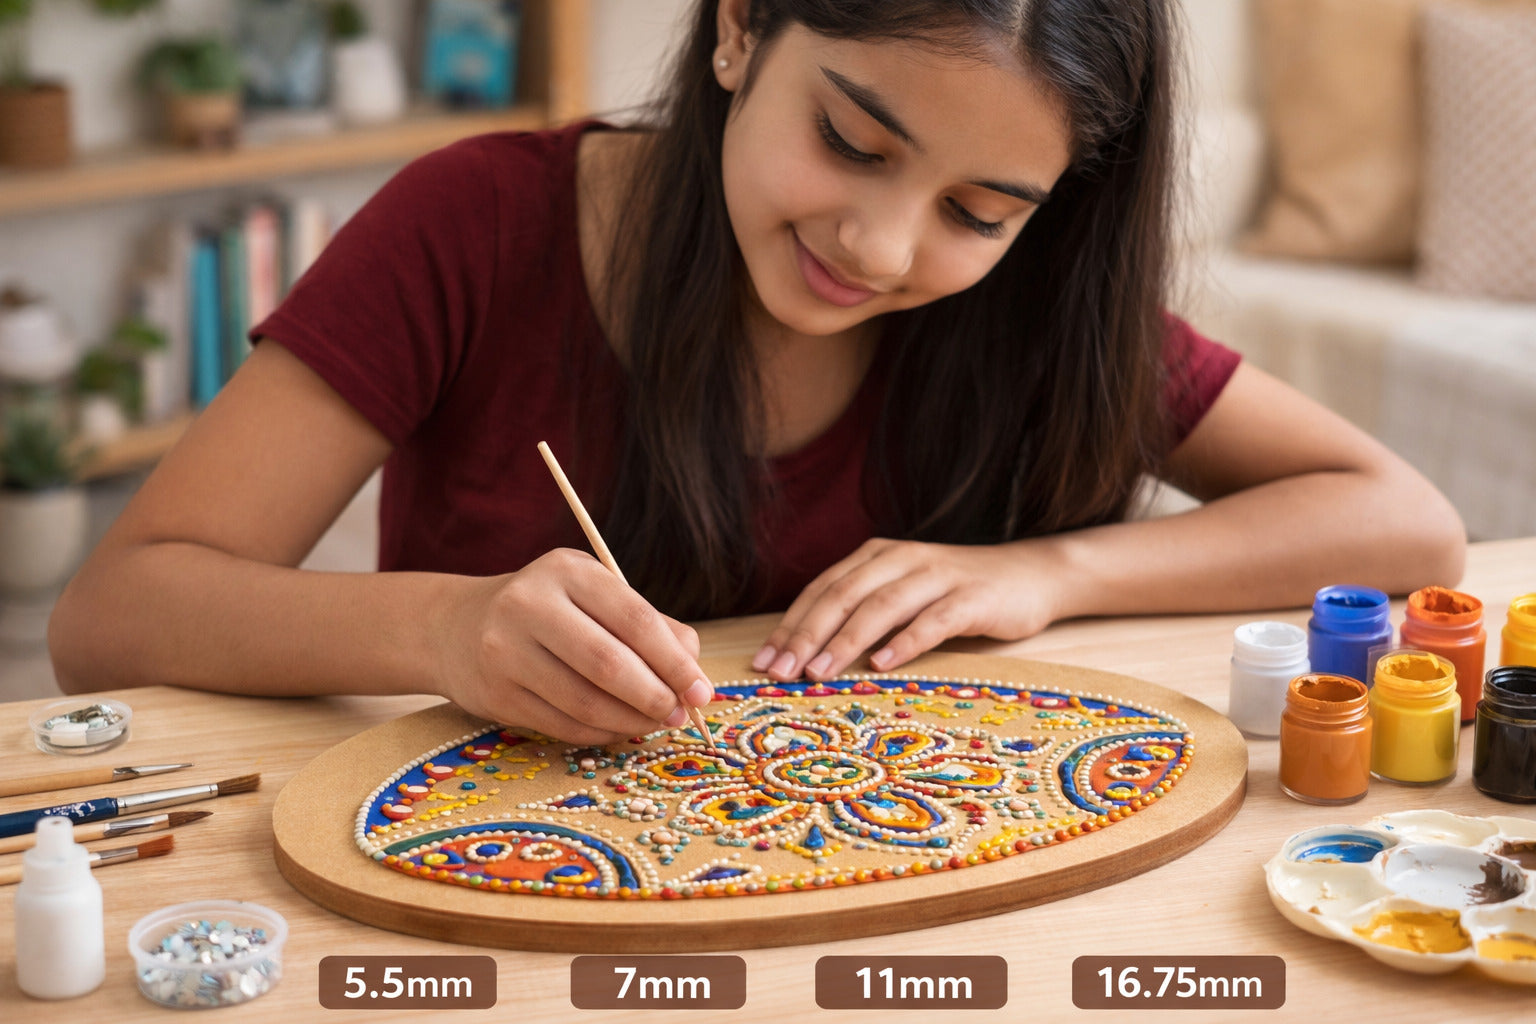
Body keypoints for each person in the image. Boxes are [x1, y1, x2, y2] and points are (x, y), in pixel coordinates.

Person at [49, 0, 1465, 746]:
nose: (883, 244)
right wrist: (437, 634)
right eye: (852, 142)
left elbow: (1401, 522)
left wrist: (1052, 572)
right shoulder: (471, 226)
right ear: (739, 27)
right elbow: (115, 616)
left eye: (981, 212)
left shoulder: (1033, 305)